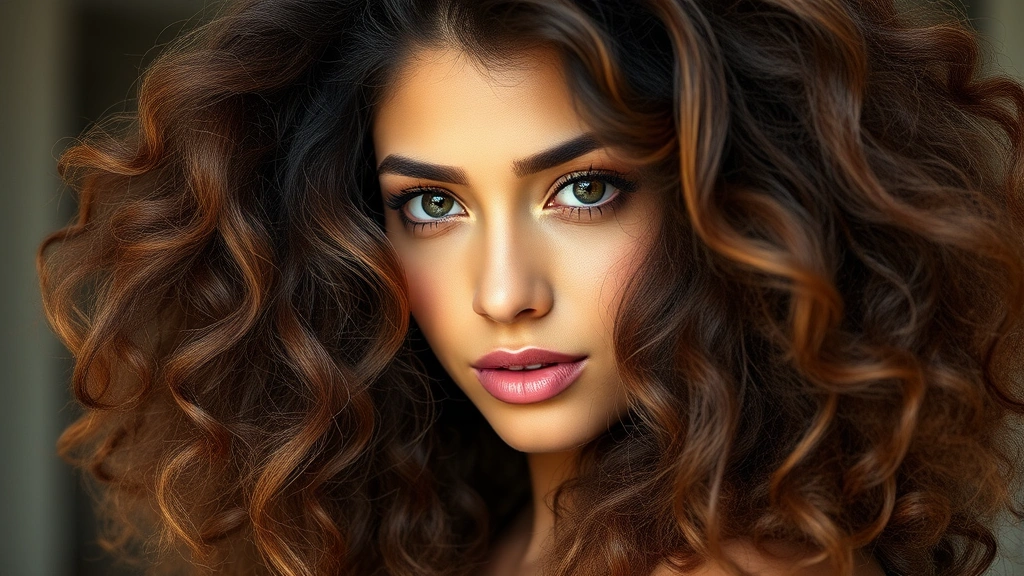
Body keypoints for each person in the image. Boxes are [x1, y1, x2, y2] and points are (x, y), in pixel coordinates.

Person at [37, 0, 1024, 574]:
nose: (504, 293)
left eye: (582, 191)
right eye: (431, 206)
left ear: (726, 201)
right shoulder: (483, 532)